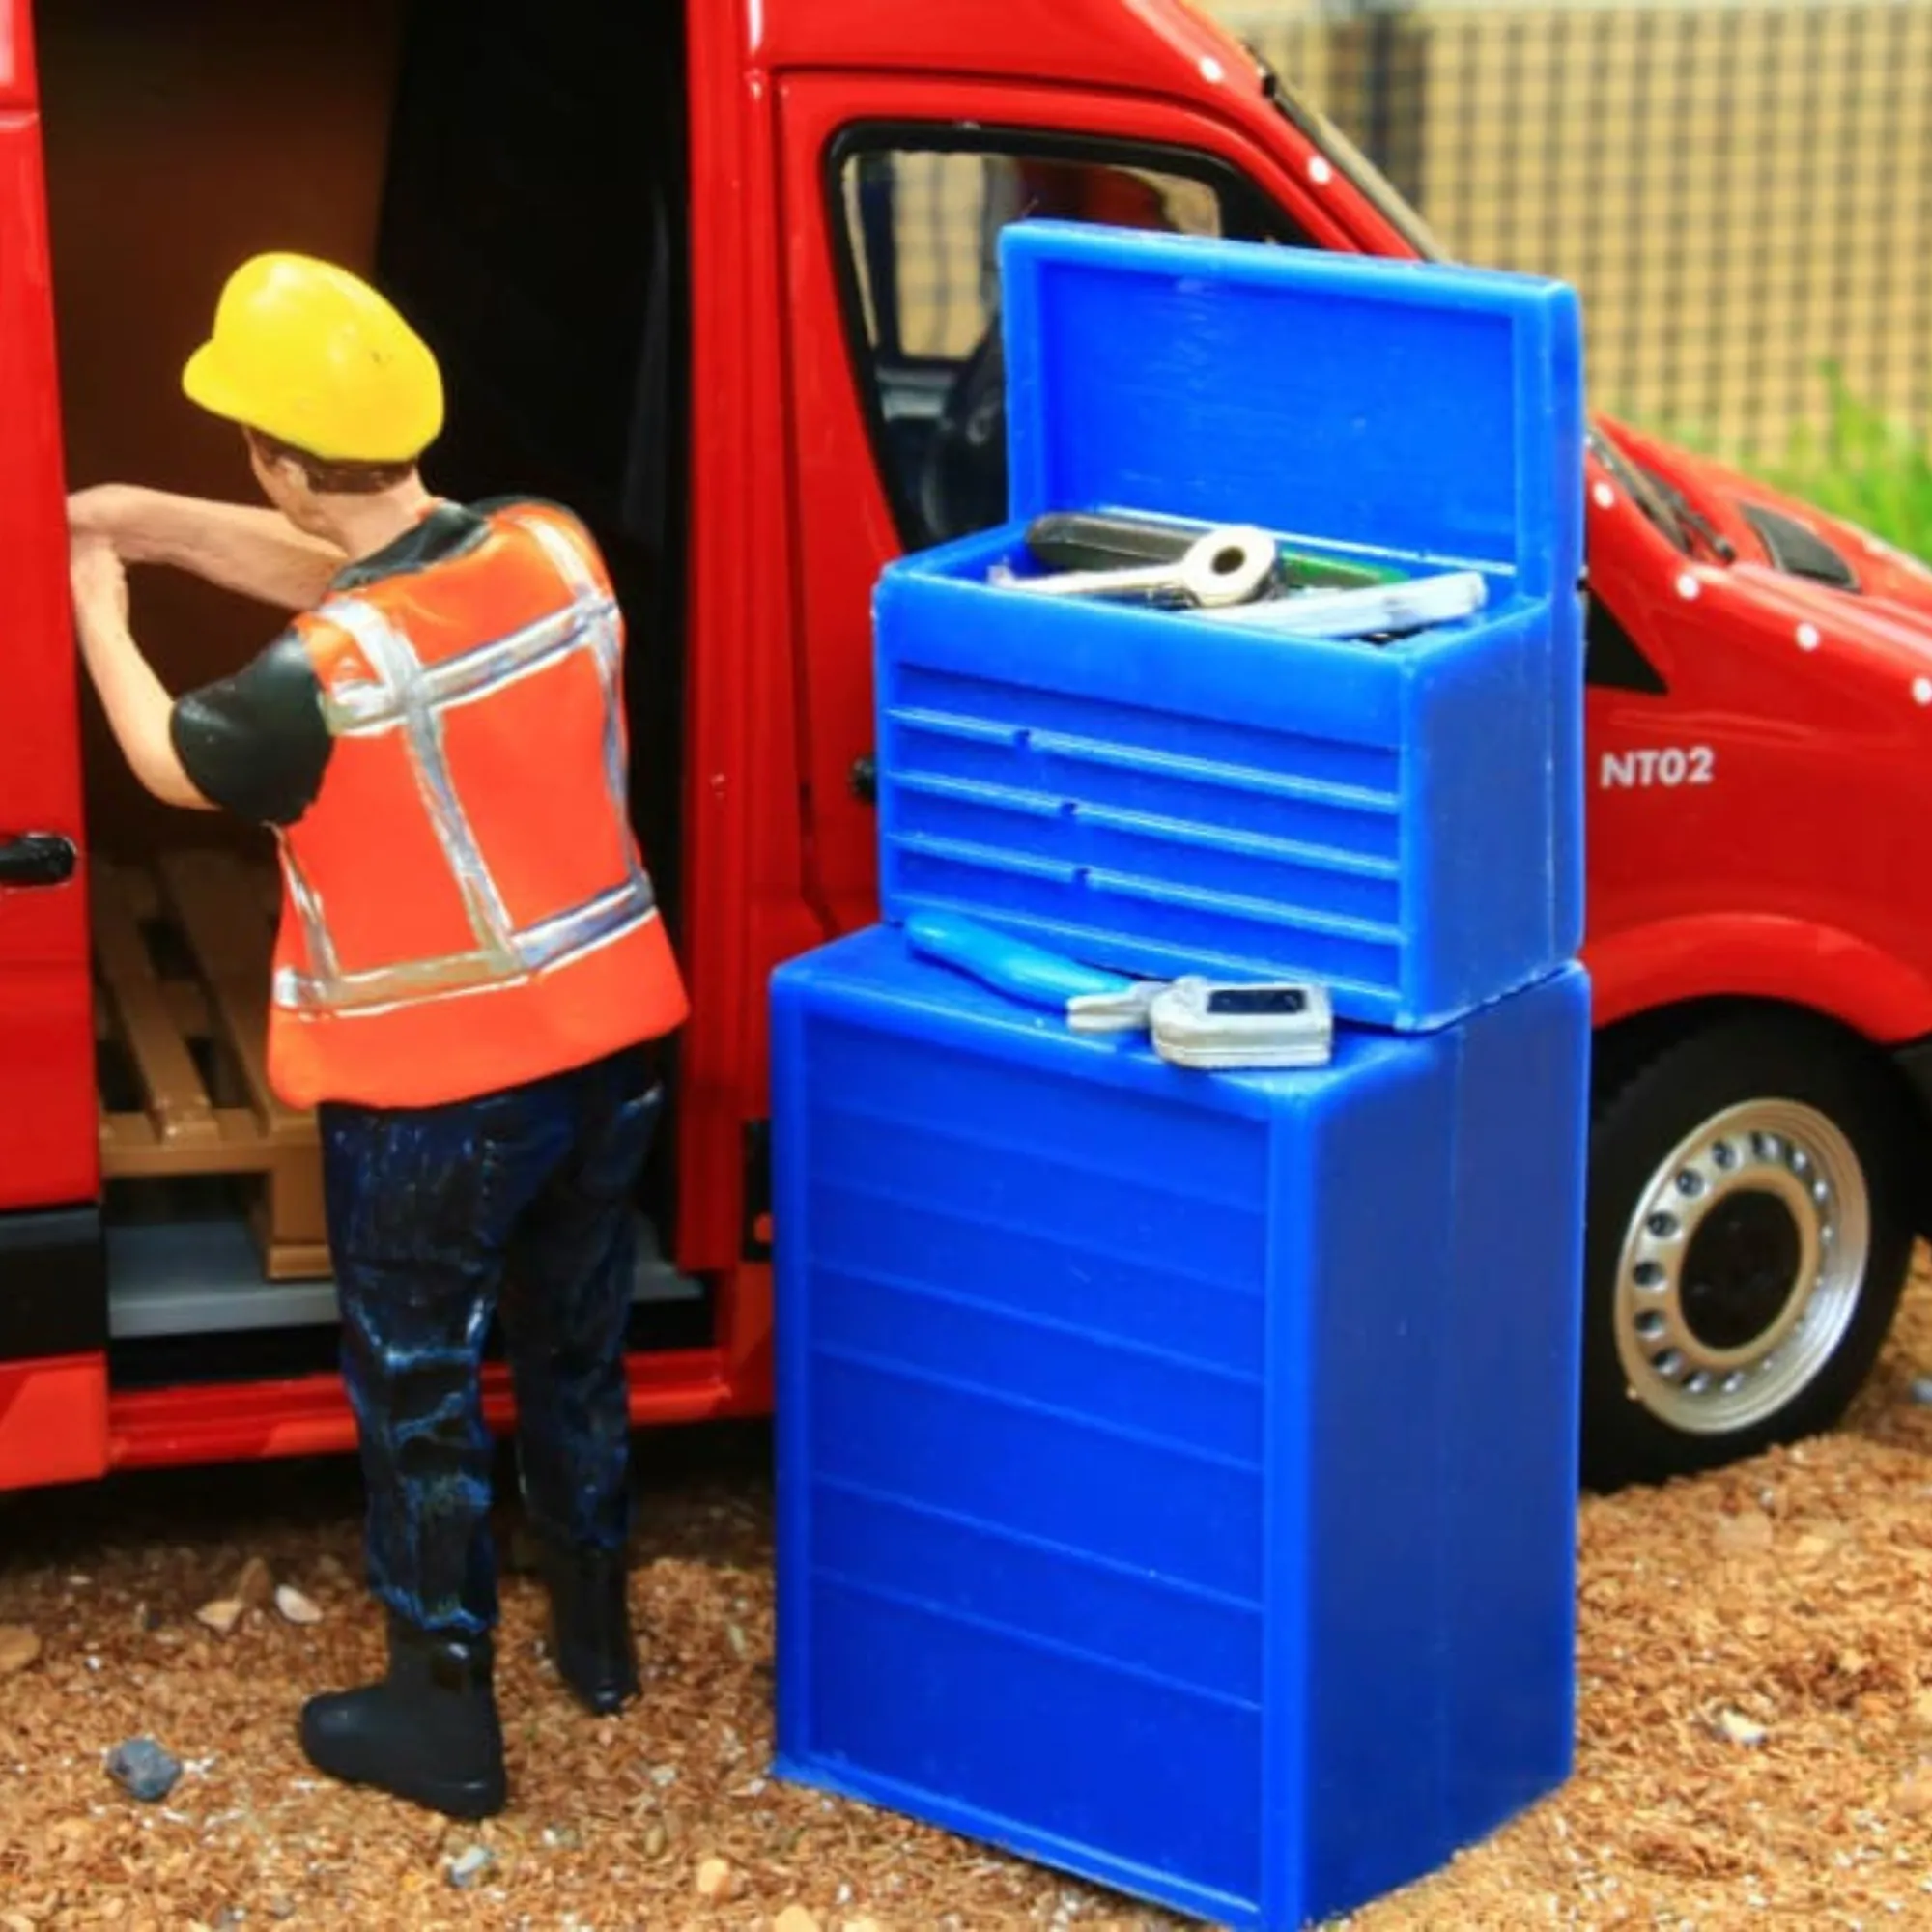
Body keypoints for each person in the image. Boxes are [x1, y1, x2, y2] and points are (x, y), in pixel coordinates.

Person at [68, 252, 691, 1822]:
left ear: (277, 460)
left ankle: (440, 1712)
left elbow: (166, 753)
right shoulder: (551, 551)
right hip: (612, 1042)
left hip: (433, 1096)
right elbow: (353, 568)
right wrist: (140, 517)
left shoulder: (312, 683)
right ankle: (597, 1632)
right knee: (576, 1340)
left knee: (418, 1386)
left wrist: (94, 588)